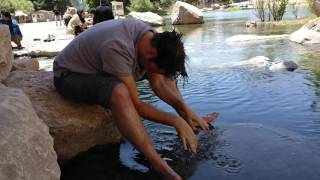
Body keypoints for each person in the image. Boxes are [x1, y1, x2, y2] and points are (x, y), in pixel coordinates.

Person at [53, 18, 219, 179]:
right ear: (151, 54)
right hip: (69, 76)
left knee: (167, 76)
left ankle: (191, 122)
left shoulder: (152, 38)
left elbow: (160, 82)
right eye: (157, 69)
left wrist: (186, 113)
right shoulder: (117, 47)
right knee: (120, 92)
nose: (157, 74)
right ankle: (157, 163)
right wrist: (175, 121)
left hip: (101, 67)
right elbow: (136, 105)